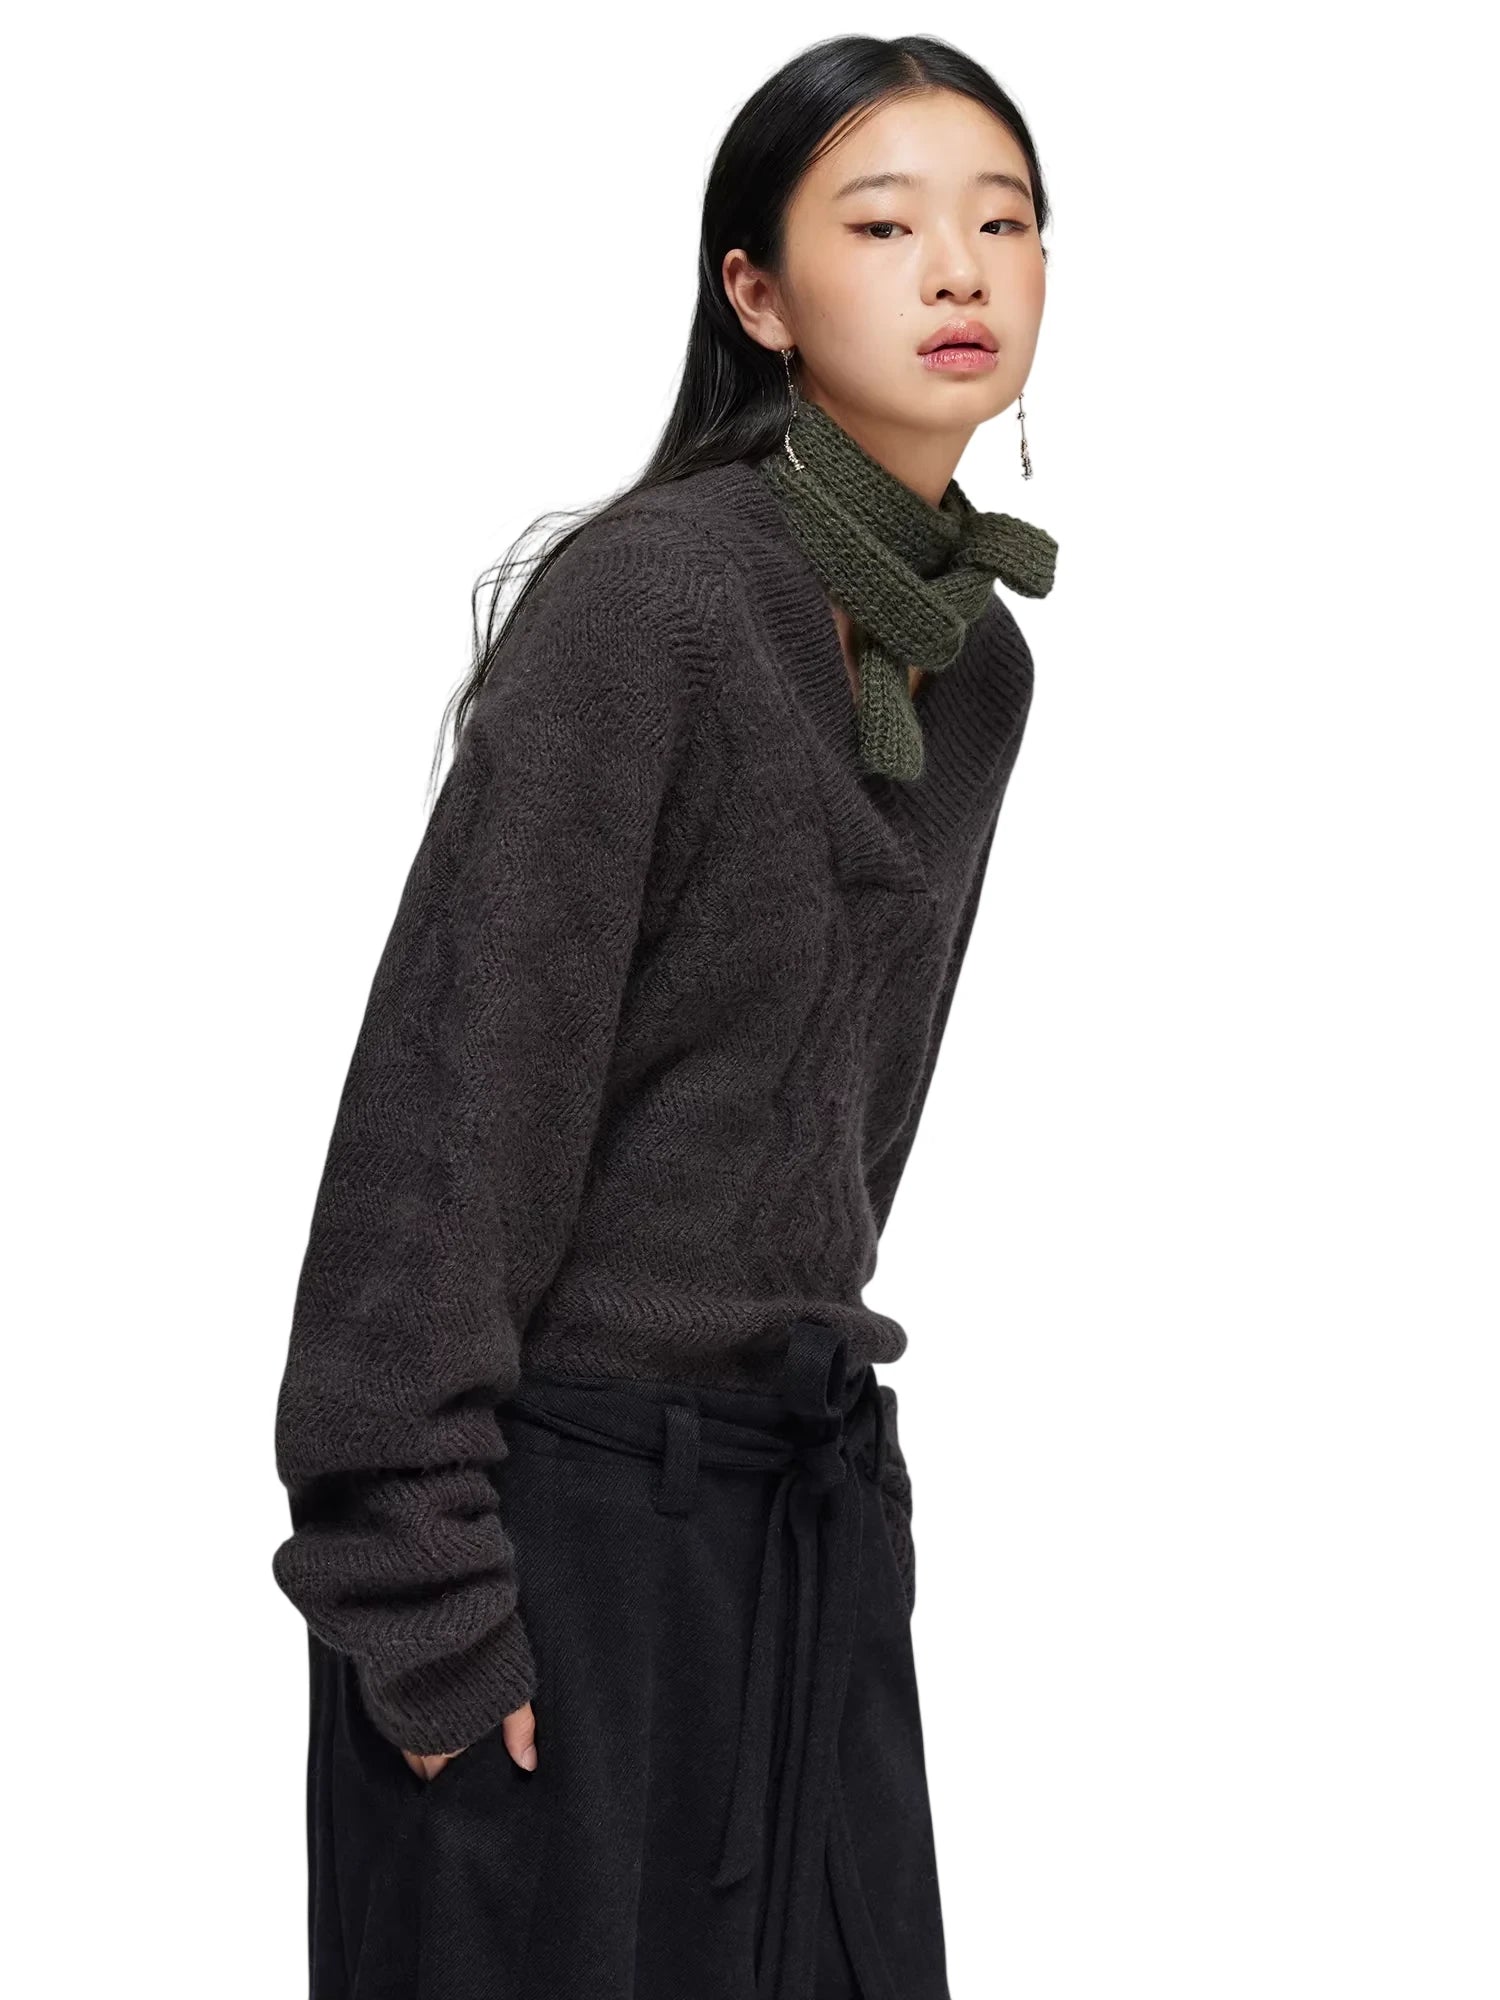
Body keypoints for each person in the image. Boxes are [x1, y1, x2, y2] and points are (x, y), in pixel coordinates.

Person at [271, 31, 1058, 2000]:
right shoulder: (658, 605)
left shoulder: (976, 670)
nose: (957, 269)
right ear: (758, 295)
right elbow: (452, 1103)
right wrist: (422, 1597)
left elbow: (848, 1131)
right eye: (882, 225)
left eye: (1003, 223)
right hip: (546, 1547)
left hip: (801, 1518)